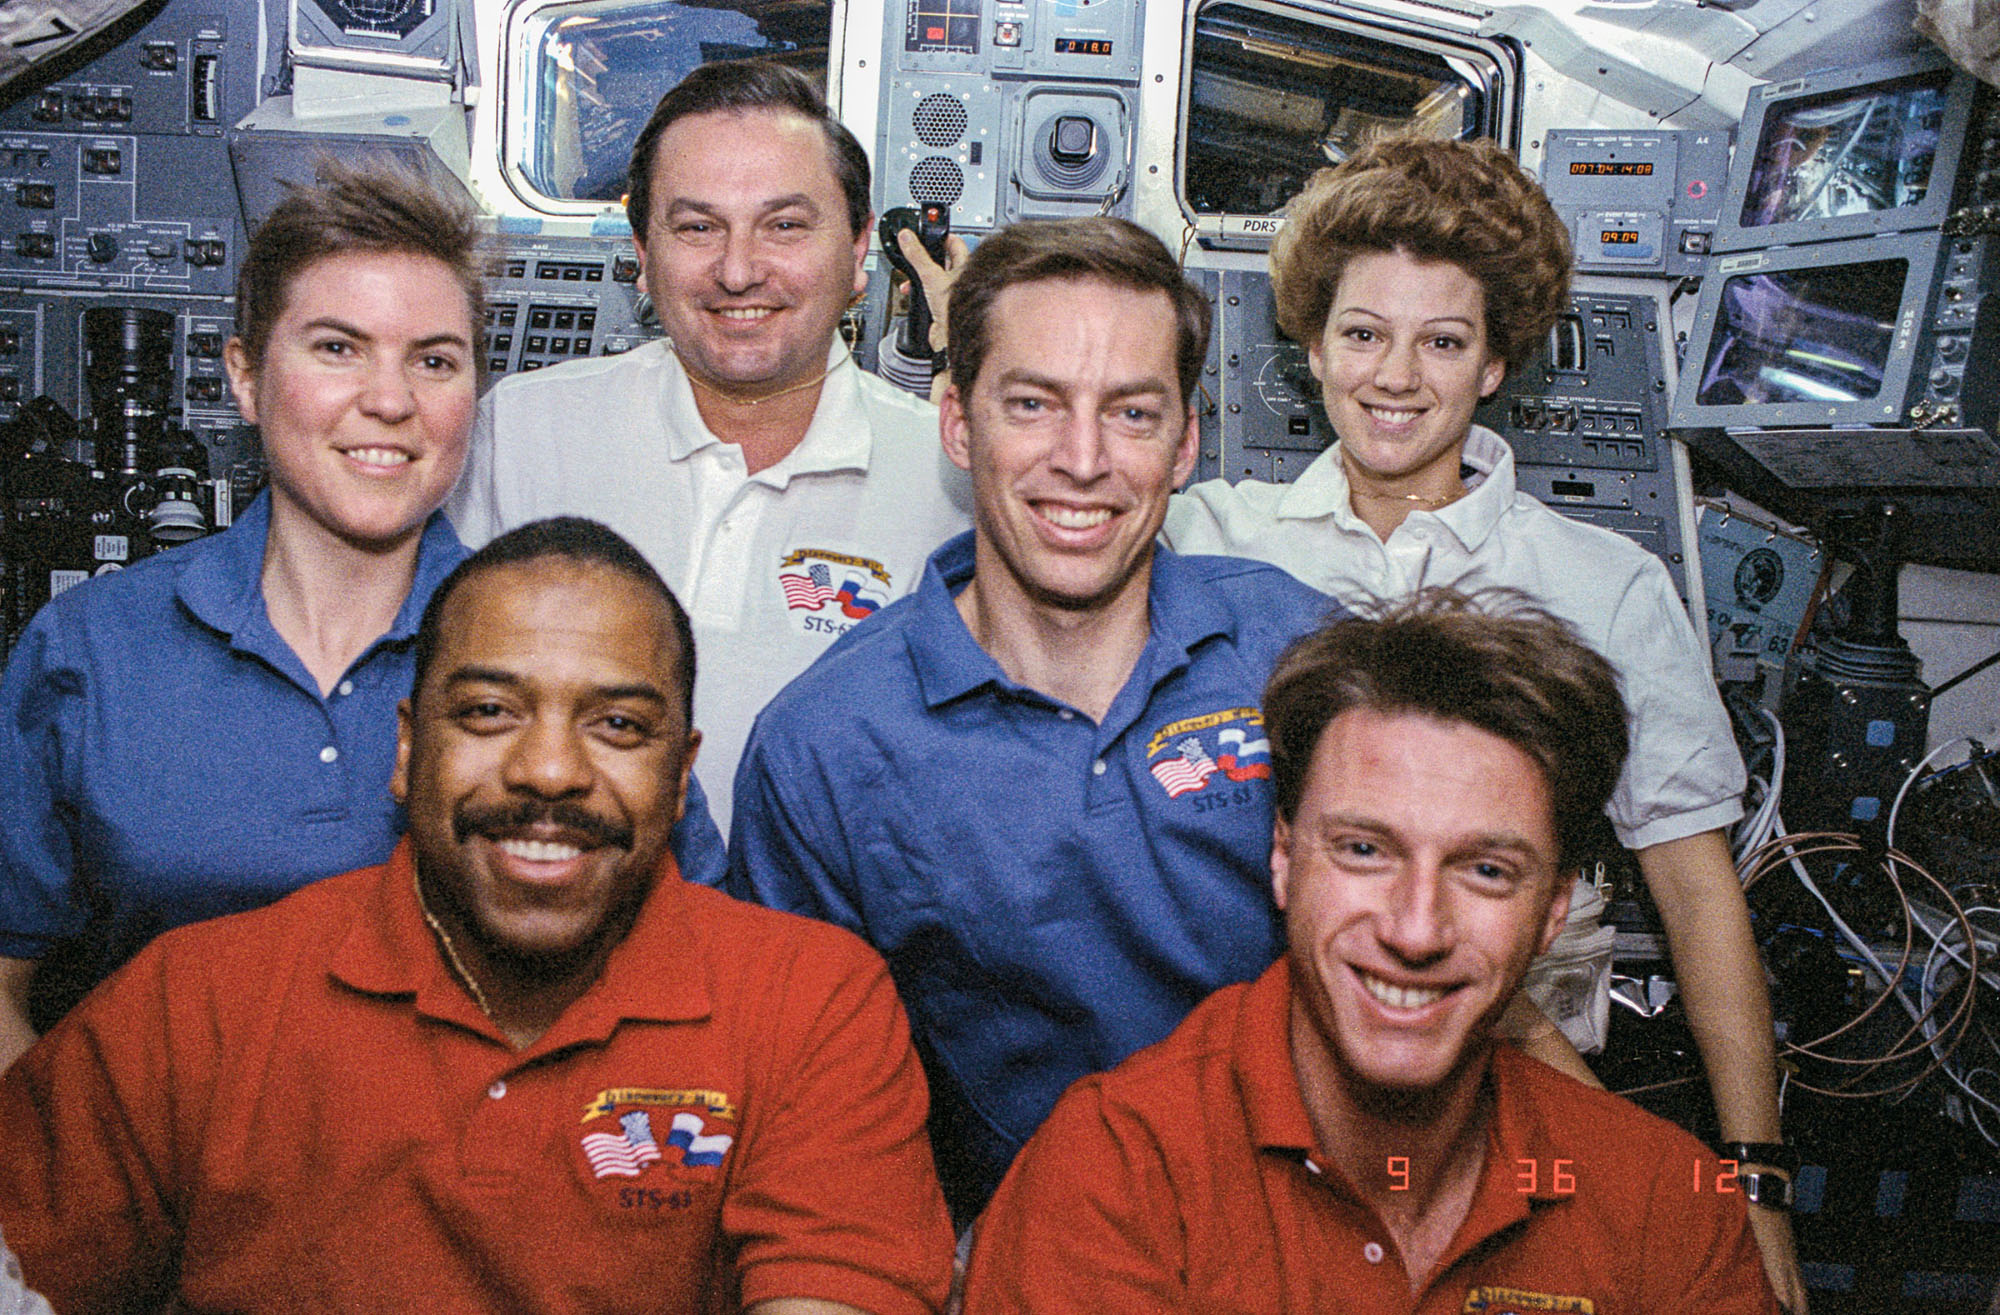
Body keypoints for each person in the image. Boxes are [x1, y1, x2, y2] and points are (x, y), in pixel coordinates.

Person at [0, 517, 954, 1314]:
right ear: (409, 751)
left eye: (618, 725)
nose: (549, 770)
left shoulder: (812, 1002)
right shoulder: (200, 997)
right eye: (491, 711)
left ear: (678, 778)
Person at [1160, 135, 1804, 1309]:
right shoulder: (1210, 540)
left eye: (1441, 340)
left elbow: (1696, 890)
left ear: (1496, 361)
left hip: (1524, 1115)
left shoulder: (1598, 581)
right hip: (1262, 1101)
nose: (1394, 375)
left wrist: (1750, 1178)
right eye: (1361, 334)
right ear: (1309, 347)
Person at [0, 162, 723, 1072]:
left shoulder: (574, 660)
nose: (391, 400)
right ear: (247, 376)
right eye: (338, 348)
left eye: (433, 360)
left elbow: (705, 977)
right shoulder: (92, 652)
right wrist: (59, 1191)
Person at [726, 217, 1333, 1222]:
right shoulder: (825, 745)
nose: (1082, 459)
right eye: (1033, 405)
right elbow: (803, 1113)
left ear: (1184, 444)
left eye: (1131, 414)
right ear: (958, 423)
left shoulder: (1296, 654)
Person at [962, 592, 1781, 1314]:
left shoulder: (1663, 1199)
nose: (1415, 930)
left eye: (1487, 870)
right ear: (1282, 856)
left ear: (1553, 909)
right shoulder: (1117, 1174)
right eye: (1364, 850)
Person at [448, 61, 971, 826]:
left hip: (829, 933)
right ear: (643, 252)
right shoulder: (521, 434)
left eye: (785, 225)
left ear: (859, 250)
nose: (737, 270)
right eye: (697, 227)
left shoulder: (953, 478)